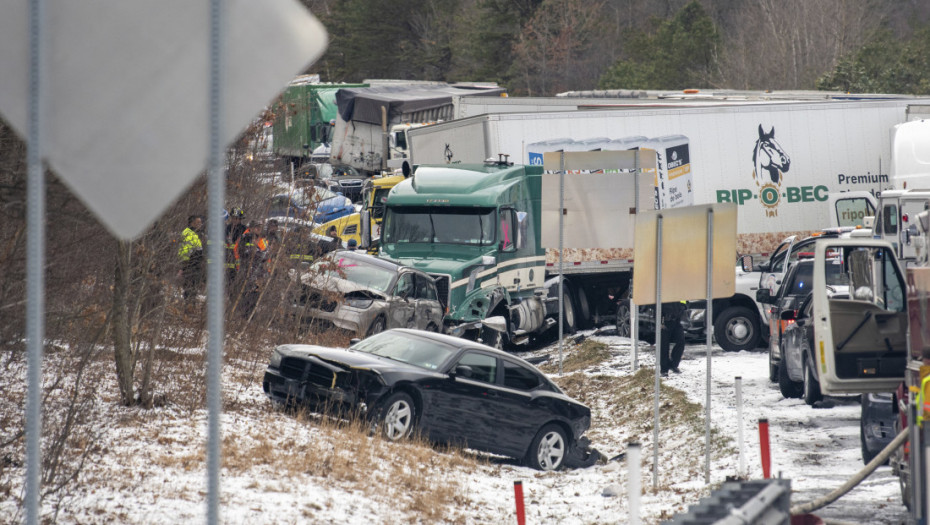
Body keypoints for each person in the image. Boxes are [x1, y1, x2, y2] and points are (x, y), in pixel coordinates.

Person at [177, 215, 204, 301]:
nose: (200, 224)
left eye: (200, 222)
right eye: (198, 222)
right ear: (192, 223)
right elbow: (185, 252)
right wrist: (185, 266)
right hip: (190, 267)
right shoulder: (189, 233)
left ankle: (190, 307)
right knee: (189, 291)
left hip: (195, 267)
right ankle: (188, 308)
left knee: (193, 291)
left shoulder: (195, 234)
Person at [659, 301, 687, 376]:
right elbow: (656, 305)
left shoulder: (677, 291)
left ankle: (673, 364)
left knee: (681, 342)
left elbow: (685, 300)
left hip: (676, 320)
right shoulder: (662, 291)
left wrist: (683, 306)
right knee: (664, 346)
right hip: (664, 321)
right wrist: (659, 322)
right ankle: (664, 369)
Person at [225, 207, 247, 284]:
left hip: (239, 258)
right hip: (227, 258)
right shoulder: (227, 228)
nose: (235, 220)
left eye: (237, 218)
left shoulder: (244, 229)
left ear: (240, 219)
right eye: (233, 218)